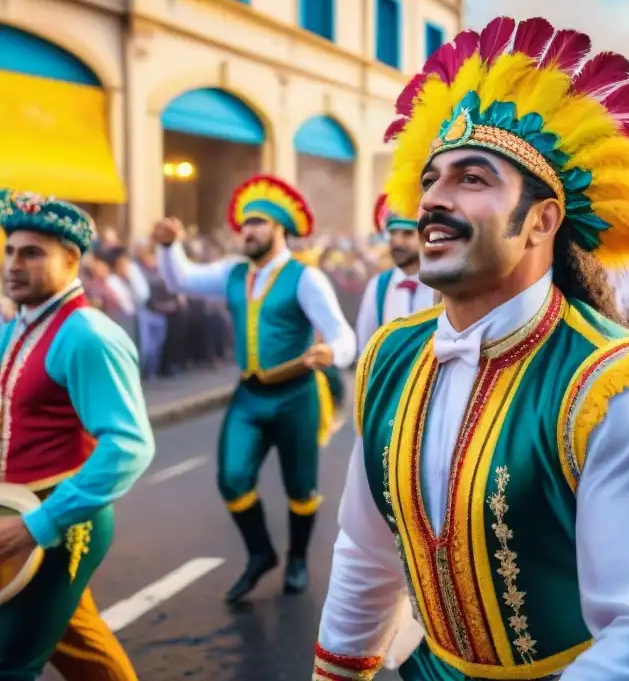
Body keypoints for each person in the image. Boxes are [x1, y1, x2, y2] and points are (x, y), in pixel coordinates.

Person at [314, 15, 629, 680]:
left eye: (471, 180)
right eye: (431, 180)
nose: (432, 201)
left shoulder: (620, 391)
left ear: (541, 220)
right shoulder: (390, 355)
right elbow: (367, 549)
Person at [153, 175, 356, 603]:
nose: (248, 230)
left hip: (296, 394)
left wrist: (329, 353)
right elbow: (181, 281)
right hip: (248, 395)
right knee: (231, 478)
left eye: (259, 222)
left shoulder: (305, 278)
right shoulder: (233, 272)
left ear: (280, 227)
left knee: (300, 487)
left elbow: (344, 336)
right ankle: (261, 553)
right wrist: (169, 247)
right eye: (245, 223)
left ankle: (298, 558)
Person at [0, 190, 154, 680]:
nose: (13, 264)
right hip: (15, 514)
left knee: (10, 661)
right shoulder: (14, 330)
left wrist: (39, 525)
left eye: (31, 253)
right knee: (78, 643)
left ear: (71, 259)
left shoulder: (87, 334)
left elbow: (129, 446)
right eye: (9, 251)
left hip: (60, 523)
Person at [354, 194, 438, 355]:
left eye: (407, 234)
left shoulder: (443, 284)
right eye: (393, 234)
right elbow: (365, 348)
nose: (397, 242)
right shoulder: (379, 285)